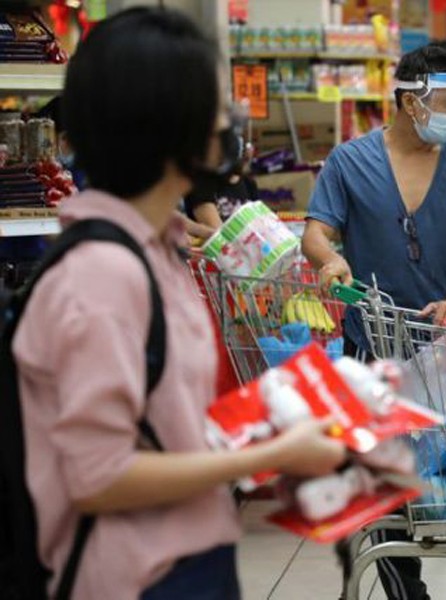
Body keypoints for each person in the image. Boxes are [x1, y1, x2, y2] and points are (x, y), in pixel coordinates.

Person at [12, 9, 346, 599]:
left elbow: (160, 425)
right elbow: (99, 475)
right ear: (167, 128)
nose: (226, 123)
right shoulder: (101, 276)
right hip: (133, 576)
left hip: (189, 553)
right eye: (213, 106)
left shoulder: (157, 253)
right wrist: (266, 455)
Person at [301, 45, 446, 600]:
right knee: (391, 490)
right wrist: (331, 260)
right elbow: (315, 232)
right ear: (409, 98)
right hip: (372, 346)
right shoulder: (350, 161)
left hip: (445, 354)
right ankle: (406, 592)